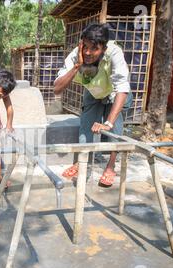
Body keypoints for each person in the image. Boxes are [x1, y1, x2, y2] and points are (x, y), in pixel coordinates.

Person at [53, 23, 133, 187]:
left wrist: (108, 122)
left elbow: (122, 88)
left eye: (94, 49)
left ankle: (110, 166)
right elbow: (57, 88)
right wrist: (77, 66)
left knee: (115, 129)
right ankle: (82, 162)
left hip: (114, 92)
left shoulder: (114, 53)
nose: (88, 53)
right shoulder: (76, 55)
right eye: (85, 47)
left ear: (103, 49)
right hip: (94, 91)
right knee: (86, 126)